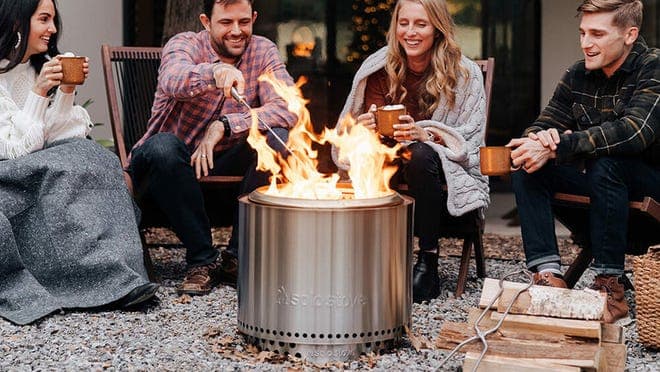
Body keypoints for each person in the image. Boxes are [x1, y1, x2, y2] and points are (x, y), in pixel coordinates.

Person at [0, 0, 159, 325]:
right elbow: (17, 149)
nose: (53, 29)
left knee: (98, 158)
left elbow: (65, 134)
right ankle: (99, 279)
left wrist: (67, 90)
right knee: (74, 162)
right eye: (44, 19)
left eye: (54, 20)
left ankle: (122, 275)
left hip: (45, 162)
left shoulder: (38, 67)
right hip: (11, 173)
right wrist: (41, 90)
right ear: (17, 22)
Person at [129, 0, 297, 296]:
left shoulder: (263, 50)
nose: (236, 31)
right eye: (225, 23)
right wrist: (214, 73)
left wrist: (225, 124)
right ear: (206, 22)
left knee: (279, 136)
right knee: (165, 147)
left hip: (223, 175)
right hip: (165, 176)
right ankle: (201, 260)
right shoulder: (184, 44)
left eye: (244, 22)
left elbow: (288, 107)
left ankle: (236, 258)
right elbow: (173, 79)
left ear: (254, 18)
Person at [508, 0, 658, 323]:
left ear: (630, 34)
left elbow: (634, 133)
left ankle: (610, 289)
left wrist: (560, 144)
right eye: (582, 33)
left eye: (597, 34)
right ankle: (548, 277)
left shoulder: (653, 66)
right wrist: (538, 141)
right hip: (603, 200)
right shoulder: (577, 75)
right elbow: (543, 122)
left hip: (651, 197)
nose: (586, 44)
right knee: (528, 161)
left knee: (607, 162)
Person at [335, 0, 489, 303]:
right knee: (368, 152)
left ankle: (427, 263)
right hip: (391, 164)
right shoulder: (379, 66)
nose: (411, 32)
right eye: (404, 23)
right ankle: (367, 258)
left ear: (438, 28)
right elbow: (356, 127)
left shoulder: (466, 73)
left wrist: (428, 134)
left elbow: (470, 141)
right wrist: (361, 129)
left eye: (421, 24)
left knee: (420, 153)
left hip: (437, 172)